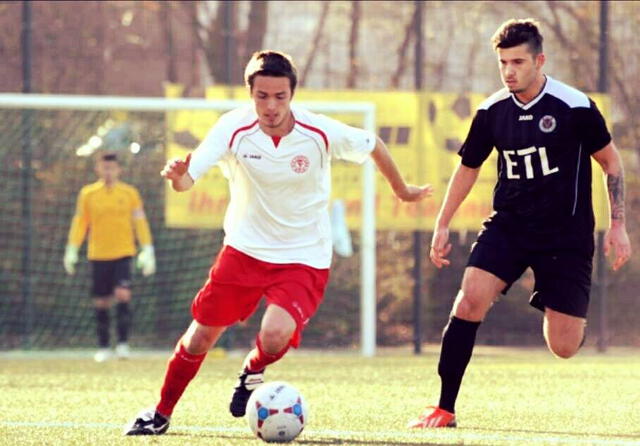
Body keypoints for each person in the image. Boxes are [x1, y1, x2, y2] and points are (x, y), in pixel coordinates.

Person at [124, 50, 433, 435]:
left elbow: (372, 144)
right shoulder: (232, 128)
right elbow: (190, 179)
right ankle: (160, 413)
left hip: (304, 255)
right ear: (250, 93)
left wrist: (402, 190)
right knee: (201, 336)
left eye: (279, 96)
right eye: (262, 96)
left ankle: (252, 370)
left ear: (292, 94)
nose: (270, 106)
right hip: (244, 250)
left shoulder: (318, 131)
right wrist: (178, 177)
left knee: (274, 334)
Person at [408, 18, 632, 429]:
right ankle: (444, 407)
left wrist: (618, 225)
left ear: (540, 61)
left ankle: (559, 305)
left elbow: (611, 162)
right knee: (470, 297)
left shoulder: (575, 107)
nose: (509, 71)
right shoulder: (492, 111)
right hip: (509, 226)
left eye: (518, 62)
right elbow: (467, 168)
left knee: (563, 346)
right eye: (503, 63)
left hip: (566, 235)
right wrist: (442, 224)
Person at [64, 152, 156, 362]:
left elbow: (140, 222)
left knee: (123, 294)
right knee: (101, 302)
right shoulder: (88, 194)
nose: (108, 172)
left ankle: (123, 344)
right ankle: (104, 346)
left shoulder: (130, 193)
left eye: (112, 168)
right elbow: (80, 223)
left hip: (123, 252)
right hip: (98, 254)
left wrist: (147, 248)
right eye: (104, 168)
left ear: (118, 169)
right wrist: (72, 248)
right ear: (98, 169)